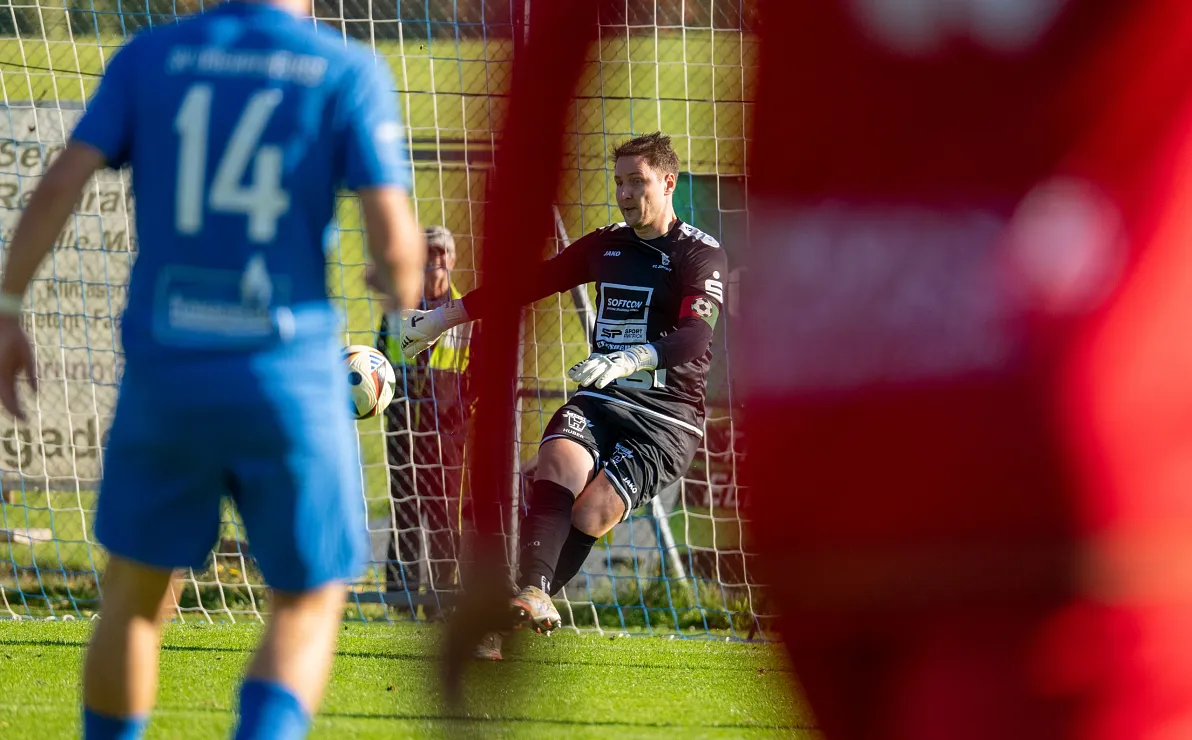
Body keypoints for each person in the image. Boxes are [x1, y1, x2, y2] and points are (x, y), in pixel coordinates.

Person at [0, 0, 424, 736]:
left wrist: (7, 306)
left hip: (168, 378)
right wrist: (398, 280)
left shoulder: (150, 55)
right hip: (286, 381)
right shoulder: (346, 70)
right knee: (309, 596)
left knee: (134, 596)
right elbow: (394, 245)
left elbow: (63, 181)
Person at [399, 131, 727, 644]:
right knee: (557, 460)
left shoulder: (699, 255)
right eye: (617, 182)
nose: (623, 194)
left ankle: (531, 597)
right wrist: (445, 317)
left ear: (667, 182)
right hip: (601, 397)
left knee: (591, 511)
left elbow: (695, 335)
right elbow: (530, 282)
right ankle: (529, 594)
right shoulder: (606, 244)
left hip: (667, 418)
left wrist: (635, 357)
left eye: (635, 182)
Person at [376, 225, 471, 613]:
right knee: (405, 505)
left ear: (452, 259)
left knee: (444, 510)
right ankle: (400, 597)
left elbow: (479, 368)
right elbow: (380, 362)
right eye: (427, 253)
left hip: (448, 425)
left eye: (440, 253)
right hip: (403, 421)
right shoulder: (398, 309)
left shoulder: (466, 310)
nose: (434, 261)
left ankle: (443, 598)